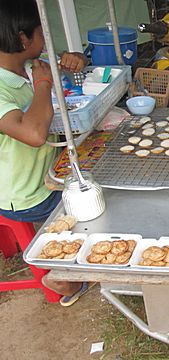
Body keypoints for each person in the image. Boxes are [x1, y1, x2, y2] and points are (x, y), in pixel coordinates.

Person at [0, 0, 90, 306]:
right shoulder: (5, 85)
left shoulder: (26, 65)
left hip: (52, 172)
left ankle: (72, 259)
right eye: (42, 31)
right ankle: (65, 276)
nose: (46, 39)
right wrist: (42, 83)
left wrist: (75, 60)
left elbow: (71, 67)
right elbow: (34, 134)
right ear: (24, 38)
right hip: (27, 194)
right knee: (98, 200)